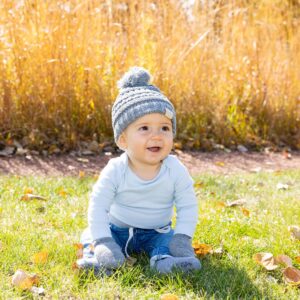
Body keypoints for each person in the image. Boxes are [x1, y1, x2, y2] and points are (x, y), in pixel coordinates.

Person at [76, 67, 201, 275]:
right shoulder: (116, 169)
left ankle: (165, 261)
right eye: (144, 128)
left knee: (167, 241)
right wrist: (104, 240)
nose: (157, 136)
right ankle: (98, 261)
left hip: (157, 231)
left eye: (165, 128)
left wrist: (183, 238)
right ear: (123, 139)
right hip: (116, 230)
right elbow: (98, 207)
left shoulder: (175, 170)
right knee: (91, 235)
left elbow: (188, 206)